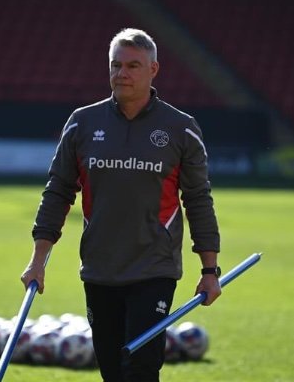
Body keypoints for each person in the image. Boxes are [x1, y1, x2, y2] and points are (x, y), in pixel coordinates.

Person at [21, 27, 221, 382]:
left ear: (153, 70)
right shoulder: (82, 123)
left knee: (141, 370)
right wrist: (38, 262)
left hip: (153, 270)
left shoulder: (181, 129)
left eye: (132, 65)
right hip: (99, 268)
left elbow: (198, 201)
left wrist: (210, 271)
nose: (122, 74)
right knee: (112, 373)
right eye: (116, 65)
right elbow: (57, 192)